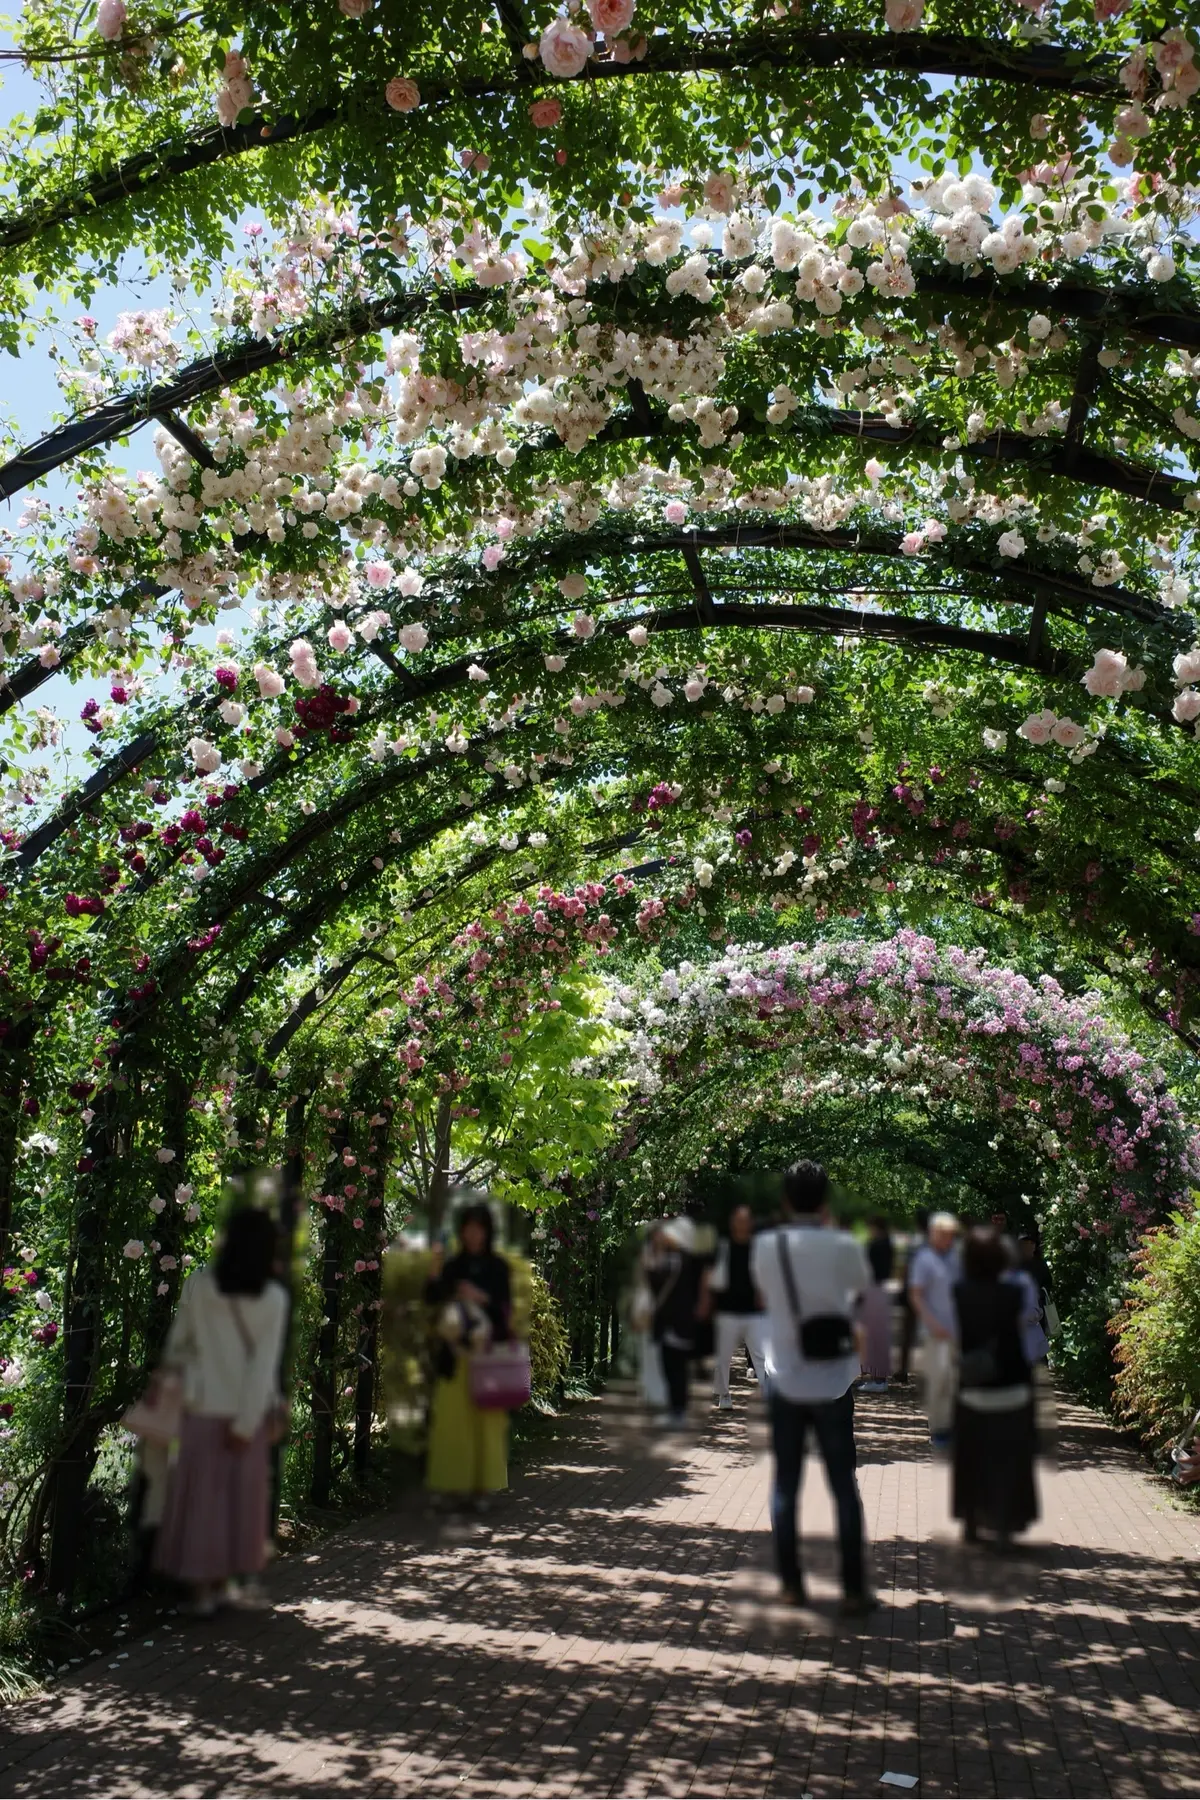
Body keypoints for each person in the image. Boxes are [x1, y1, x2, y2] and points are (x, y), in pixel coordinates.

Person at [751, 1159, 874, 1616]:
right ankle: (855, 1587)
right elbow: (858, 1298)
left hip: (786, 1376)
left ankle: (791, 1584)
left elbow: (763, 1297)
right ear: (825, 1199)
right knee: (844, 1484)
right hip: (835, 1379)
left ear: (786, 1199)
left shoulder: (767, 1247)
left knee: (786, 1483)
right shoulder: (845, 1246)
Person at [153, 1207, 288, 1616]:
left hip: (202, 1404)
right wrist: (248, 1422)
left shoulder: (202, 1285)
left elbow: (179, 1342)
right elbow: (263, 1364)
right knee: (238, 1500)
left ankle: (201, 1592)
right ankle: (224, 1582)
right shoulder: (272, 1298)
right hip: (245, 1411)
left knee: (202, 1500)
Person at [424, 1197, 517, 1509]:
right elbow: (431, 1299)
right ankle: (454, 1487)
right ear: (461, 1231)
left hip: (487, 1356)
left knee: (486, 1423)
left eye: (479, 1229)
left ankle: (482, 1490)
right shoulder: (453, 1266)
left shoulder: (498, 1267)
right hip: (455, 1356)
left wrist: (480, 1297)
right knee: (453, 1422)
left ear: (487, 1231)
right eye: (469, 1229)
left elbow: (506, 1311)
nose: (474, 1235)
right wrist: (435, 1270)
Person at [952, 1227, 1038, 1548]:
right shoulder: (1016, 1291)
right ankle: (1006, 1520)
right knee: (1011, 1456)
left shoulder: (959, 1291)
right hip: (1012, 1387)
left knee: (971, 1456)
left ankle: (971, 1518)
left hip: (973, 1387)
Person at [644, 1217, 703, 1427]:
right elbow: (652, 1284)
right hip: (664, 1323)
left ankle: (679, 1412)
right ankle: (674, 1410)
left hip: (681, 1321)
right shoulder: (658, 1259)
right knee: (668, 1368)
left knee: (678, 1369)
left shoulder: (687, 1259)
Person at [909, 1212, 961, 1450]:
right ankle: (939, 1431)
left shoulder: (956, 1258)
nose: (948, 1239)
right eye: (944, 1234)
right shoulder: (924, 1259)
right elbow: (916, 1296)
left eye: (951, 1235)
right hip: (934, 1333)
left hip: (957, 1331)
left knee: (954, 1381)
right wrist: (933, 1324)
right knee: (939, 1381)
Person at [711, 1203, 765, 1409]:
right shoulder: (723, 1247)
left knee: (761, 1356)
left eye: (746, 1220)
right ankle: (724, 1394)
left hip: (753, 1311)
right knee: (722, 1358)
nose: (742, 1225)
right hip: (728, 1310)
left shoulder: (757, 1247)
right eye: (738, 1220)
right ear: (732, 1223)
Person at [858, 1217, 894, 1393]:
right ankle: (878, 1376)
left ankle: (878, 1378)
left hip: (872, 1288)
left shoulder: (875, 1245)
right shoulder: (888, 1243)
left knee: (873, 1336)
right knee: (878, 1335)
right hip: (882, 1289)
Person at [896, 1208, 928, 1383]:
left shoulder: (914, 1243)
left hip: (913, 1291)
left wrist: (903, 1287)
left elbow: (906, 1269)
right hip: (930, 1294)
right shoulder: (935, 1244)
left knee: (908, 1332)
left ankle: (903, 1369)